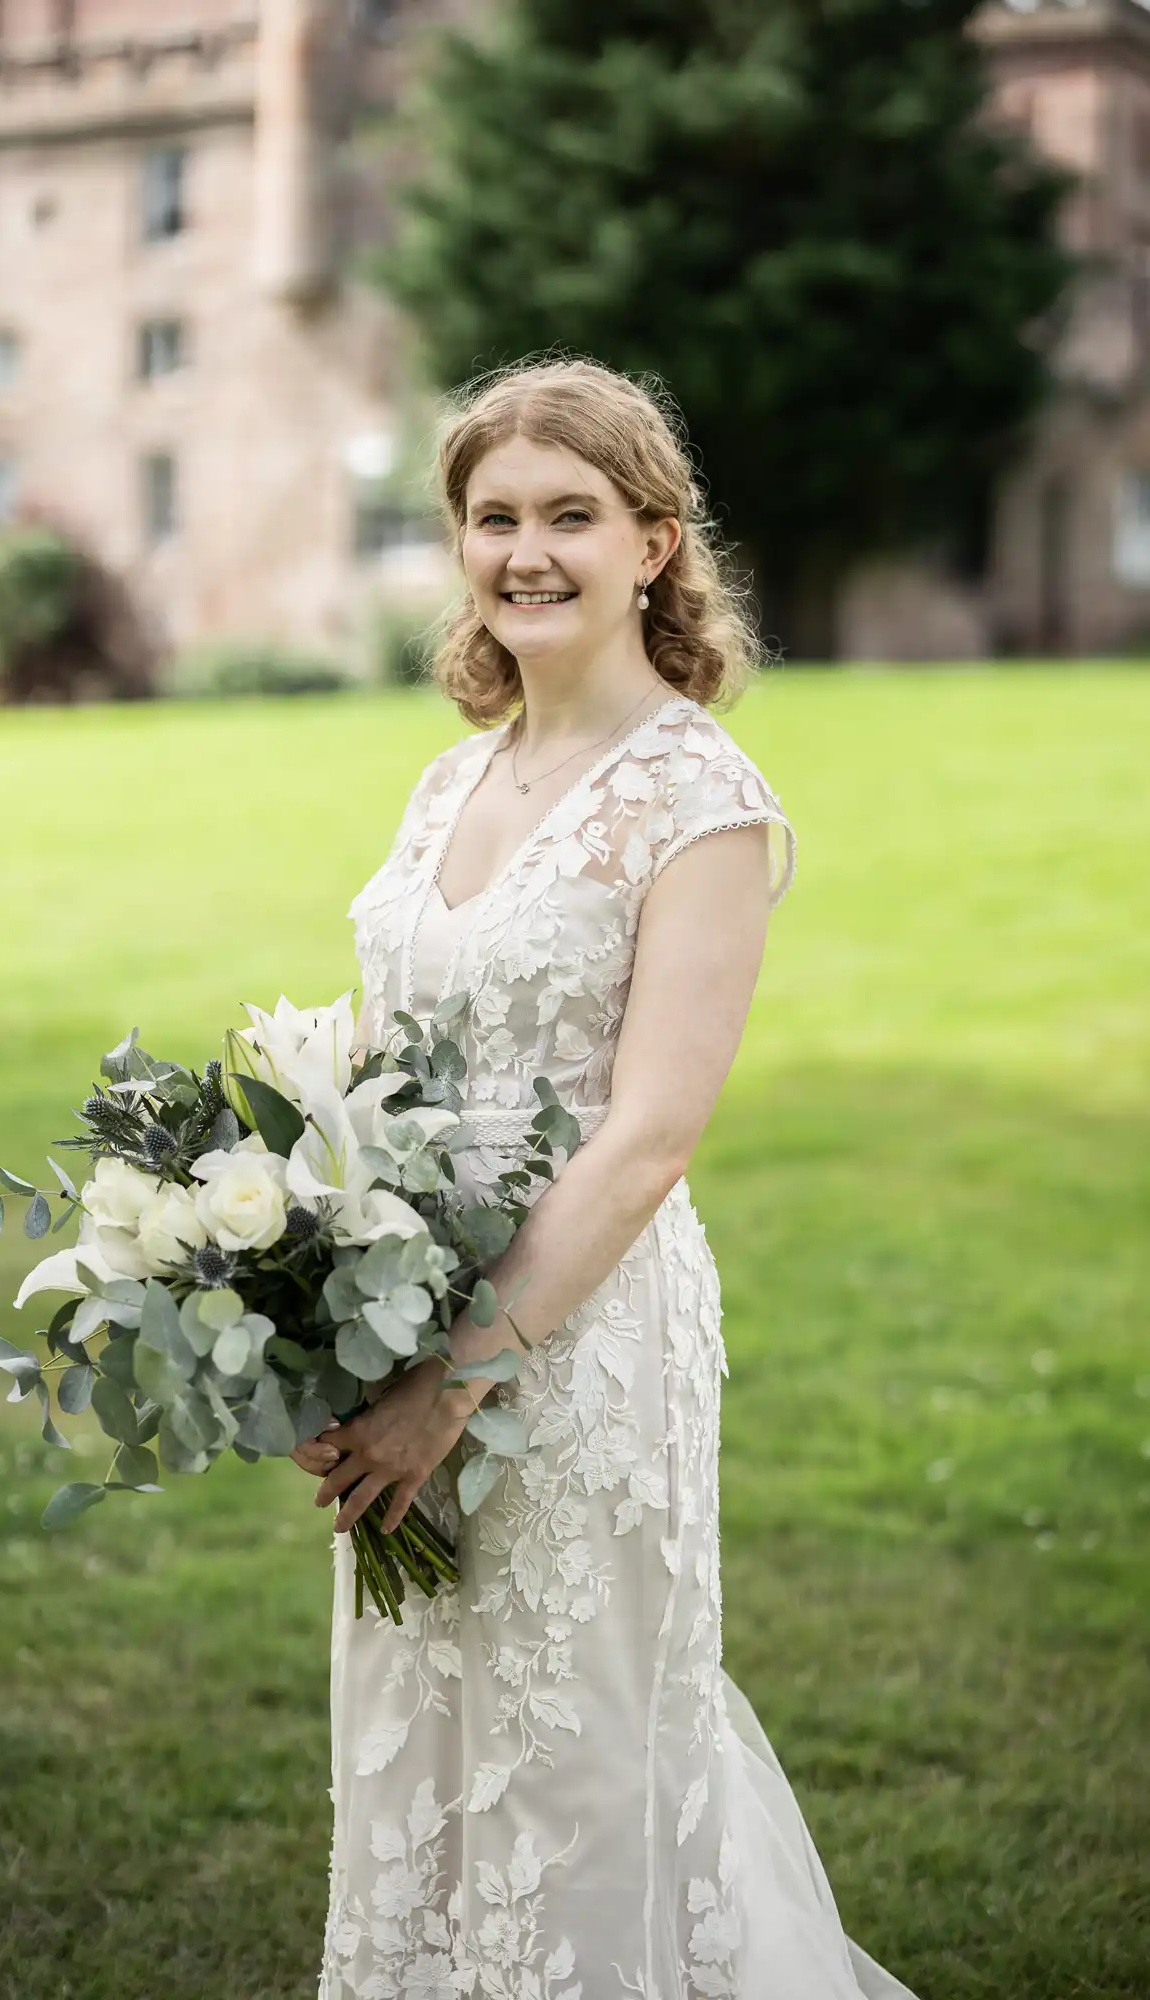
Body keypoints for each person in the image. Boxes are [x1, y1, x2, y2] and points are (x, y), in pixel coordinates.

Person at [294, 357, 919, 1999]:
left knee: (572, 1754)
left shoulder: (698, 796)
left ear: (655, 543)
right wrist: (316, 1321)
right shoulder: (453, 778)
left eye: (570, 515)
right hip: (407, 1323)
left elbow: (646, 1138)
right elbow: (380, 1071)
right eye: (493, 518)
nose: (526, 553)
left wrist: (461, 1381)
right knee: (421, 1741)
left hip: (582, 1358)